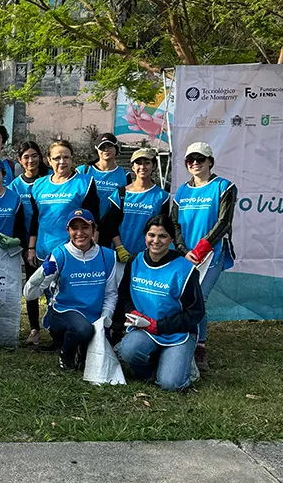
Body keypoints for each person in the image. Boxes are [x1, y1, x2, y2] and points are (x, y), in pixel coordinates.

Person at [117, 215, 204, 391]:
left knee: (170, 384)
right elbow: (124, 294)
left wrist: (160, 326)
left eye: (162, 236)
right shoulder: (135, 261)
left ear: (171, 239)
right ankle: (156, 367)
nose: (156, 241)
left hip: (178, 334)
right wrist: (132, 312)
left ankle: (185, 368)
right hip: (145, 330)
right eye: (151, 235)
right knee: (127, 351)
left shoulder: (185, 269)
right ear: (145, 236)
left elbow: (195, 312)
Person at [23, 209, 117, 371]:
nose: (80, 233)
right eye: (75, 228)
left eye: (85, 227)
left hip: (94, 316)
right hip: (64, 312)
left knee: (98, 340)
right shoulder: (60, 254)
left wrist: (105, 320)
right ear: (68, 231)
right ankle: (65, 353)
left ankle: (81, 349)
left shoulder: (107, 256)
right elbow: (30, 294)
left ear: (94, 229)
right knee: (83, 329)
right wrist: (41, 274)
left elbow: (110, 294)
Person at [170, 142, 237, 370]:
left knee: (199, 298)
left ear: (210, 161)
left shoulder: (224, 187)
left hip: (212, 254)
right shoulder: (182, 191)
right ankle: (181, 343)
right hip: (186, 254)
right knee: (183, 299)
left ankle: (199, 347)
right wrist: (182, 248)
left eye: (200, 159)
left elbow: (224, 222)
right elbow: (175, 223)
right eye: (191, 160)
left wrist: (202, 248)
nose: (196, 163)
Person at [28, 139, 99, 265]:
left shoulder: (85, 183)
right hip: (43, 250)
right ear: (49, 160)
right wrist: (31, 248)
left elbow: (94, 219)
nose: (62, 162)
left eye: (66, 157)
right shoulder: (38, 185)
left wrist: (92, 250)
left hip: (74, 251)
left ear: (71, 159)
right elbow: (35, 219)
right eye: (56, 158)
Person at [8, 141, 51, 345]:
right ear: (19, 160)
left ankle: (55, 324)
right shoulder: (15, 185)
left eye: (34, 155)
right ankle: (34, 328)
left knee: (54, 285)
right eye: (26, 157)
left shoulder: (50, 179)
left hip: (50, 239)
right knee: (32, 285)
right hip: (27, 242)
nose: (30, 160)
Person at [100, 148, 170, 263]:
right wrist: (120, 248)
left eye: (147, 163)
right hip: (120, 257)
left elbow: (163, 228)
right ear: (133, 167)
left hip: (148, 257)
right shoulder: (120, 194)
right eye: (138, 163)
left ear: (154, 166)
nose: (142, 167)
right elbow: (110, 224)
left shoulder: (162, 196)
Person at [78, 132, 128, 219]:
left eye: (110, 146)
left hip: (111, 225)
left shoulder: (125, 174)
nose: (106, 150)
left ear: (116, 148)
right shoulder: (83, 171)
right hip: (86, 224)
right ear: (96, 150)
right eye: (102, 147)